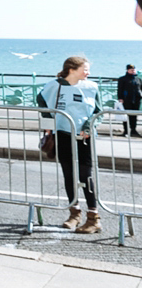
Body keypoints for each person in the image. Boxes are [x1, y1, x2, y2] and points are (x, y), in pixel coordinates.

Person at [39, 56, 102, 234]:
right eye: (85, 69)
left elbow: (98, 111)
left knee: (85, 175)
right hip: (62, 134)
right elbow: (42, 105)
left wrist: (89, 126)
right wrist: (49, 127)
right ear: (72, 69)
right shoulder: (52, 86)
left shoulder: (92, 87)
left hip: (84, 137)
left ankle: (94, 217)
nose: (88, 73)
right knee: (68, 174)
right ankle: (74, 213)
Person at [118, 64, 142, 137]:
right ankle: (126, 130)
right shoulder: (123, 79)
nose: (133, 71)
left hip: (136, 99)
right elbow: (120, 89)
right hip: (126, 100)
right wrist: (120, 98)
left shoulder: (138, 79)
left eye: (134, 70)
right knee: (126, 116)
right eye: (131, 70)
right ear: (127, 70)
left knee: (134, 115)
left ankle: (133, 130)